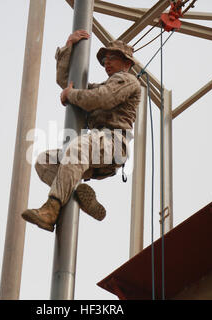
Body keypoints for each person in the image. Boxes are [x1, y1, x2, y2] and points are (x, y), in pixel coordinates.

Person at [21, 30, 141, 232]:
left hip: (113, 143)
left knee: (77, 146)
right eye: (105, 59)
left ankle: (51, 209)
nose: (107, 62)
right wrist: (69, 47)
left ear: (127, 63)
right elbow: (67, 82)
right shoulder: (104, 85)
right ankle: (76, 194)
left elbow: (101, 98)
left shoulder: (128, 81)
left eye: (113, 58)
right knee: (44, 161)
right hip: (95, 147)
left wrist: (72, 95)